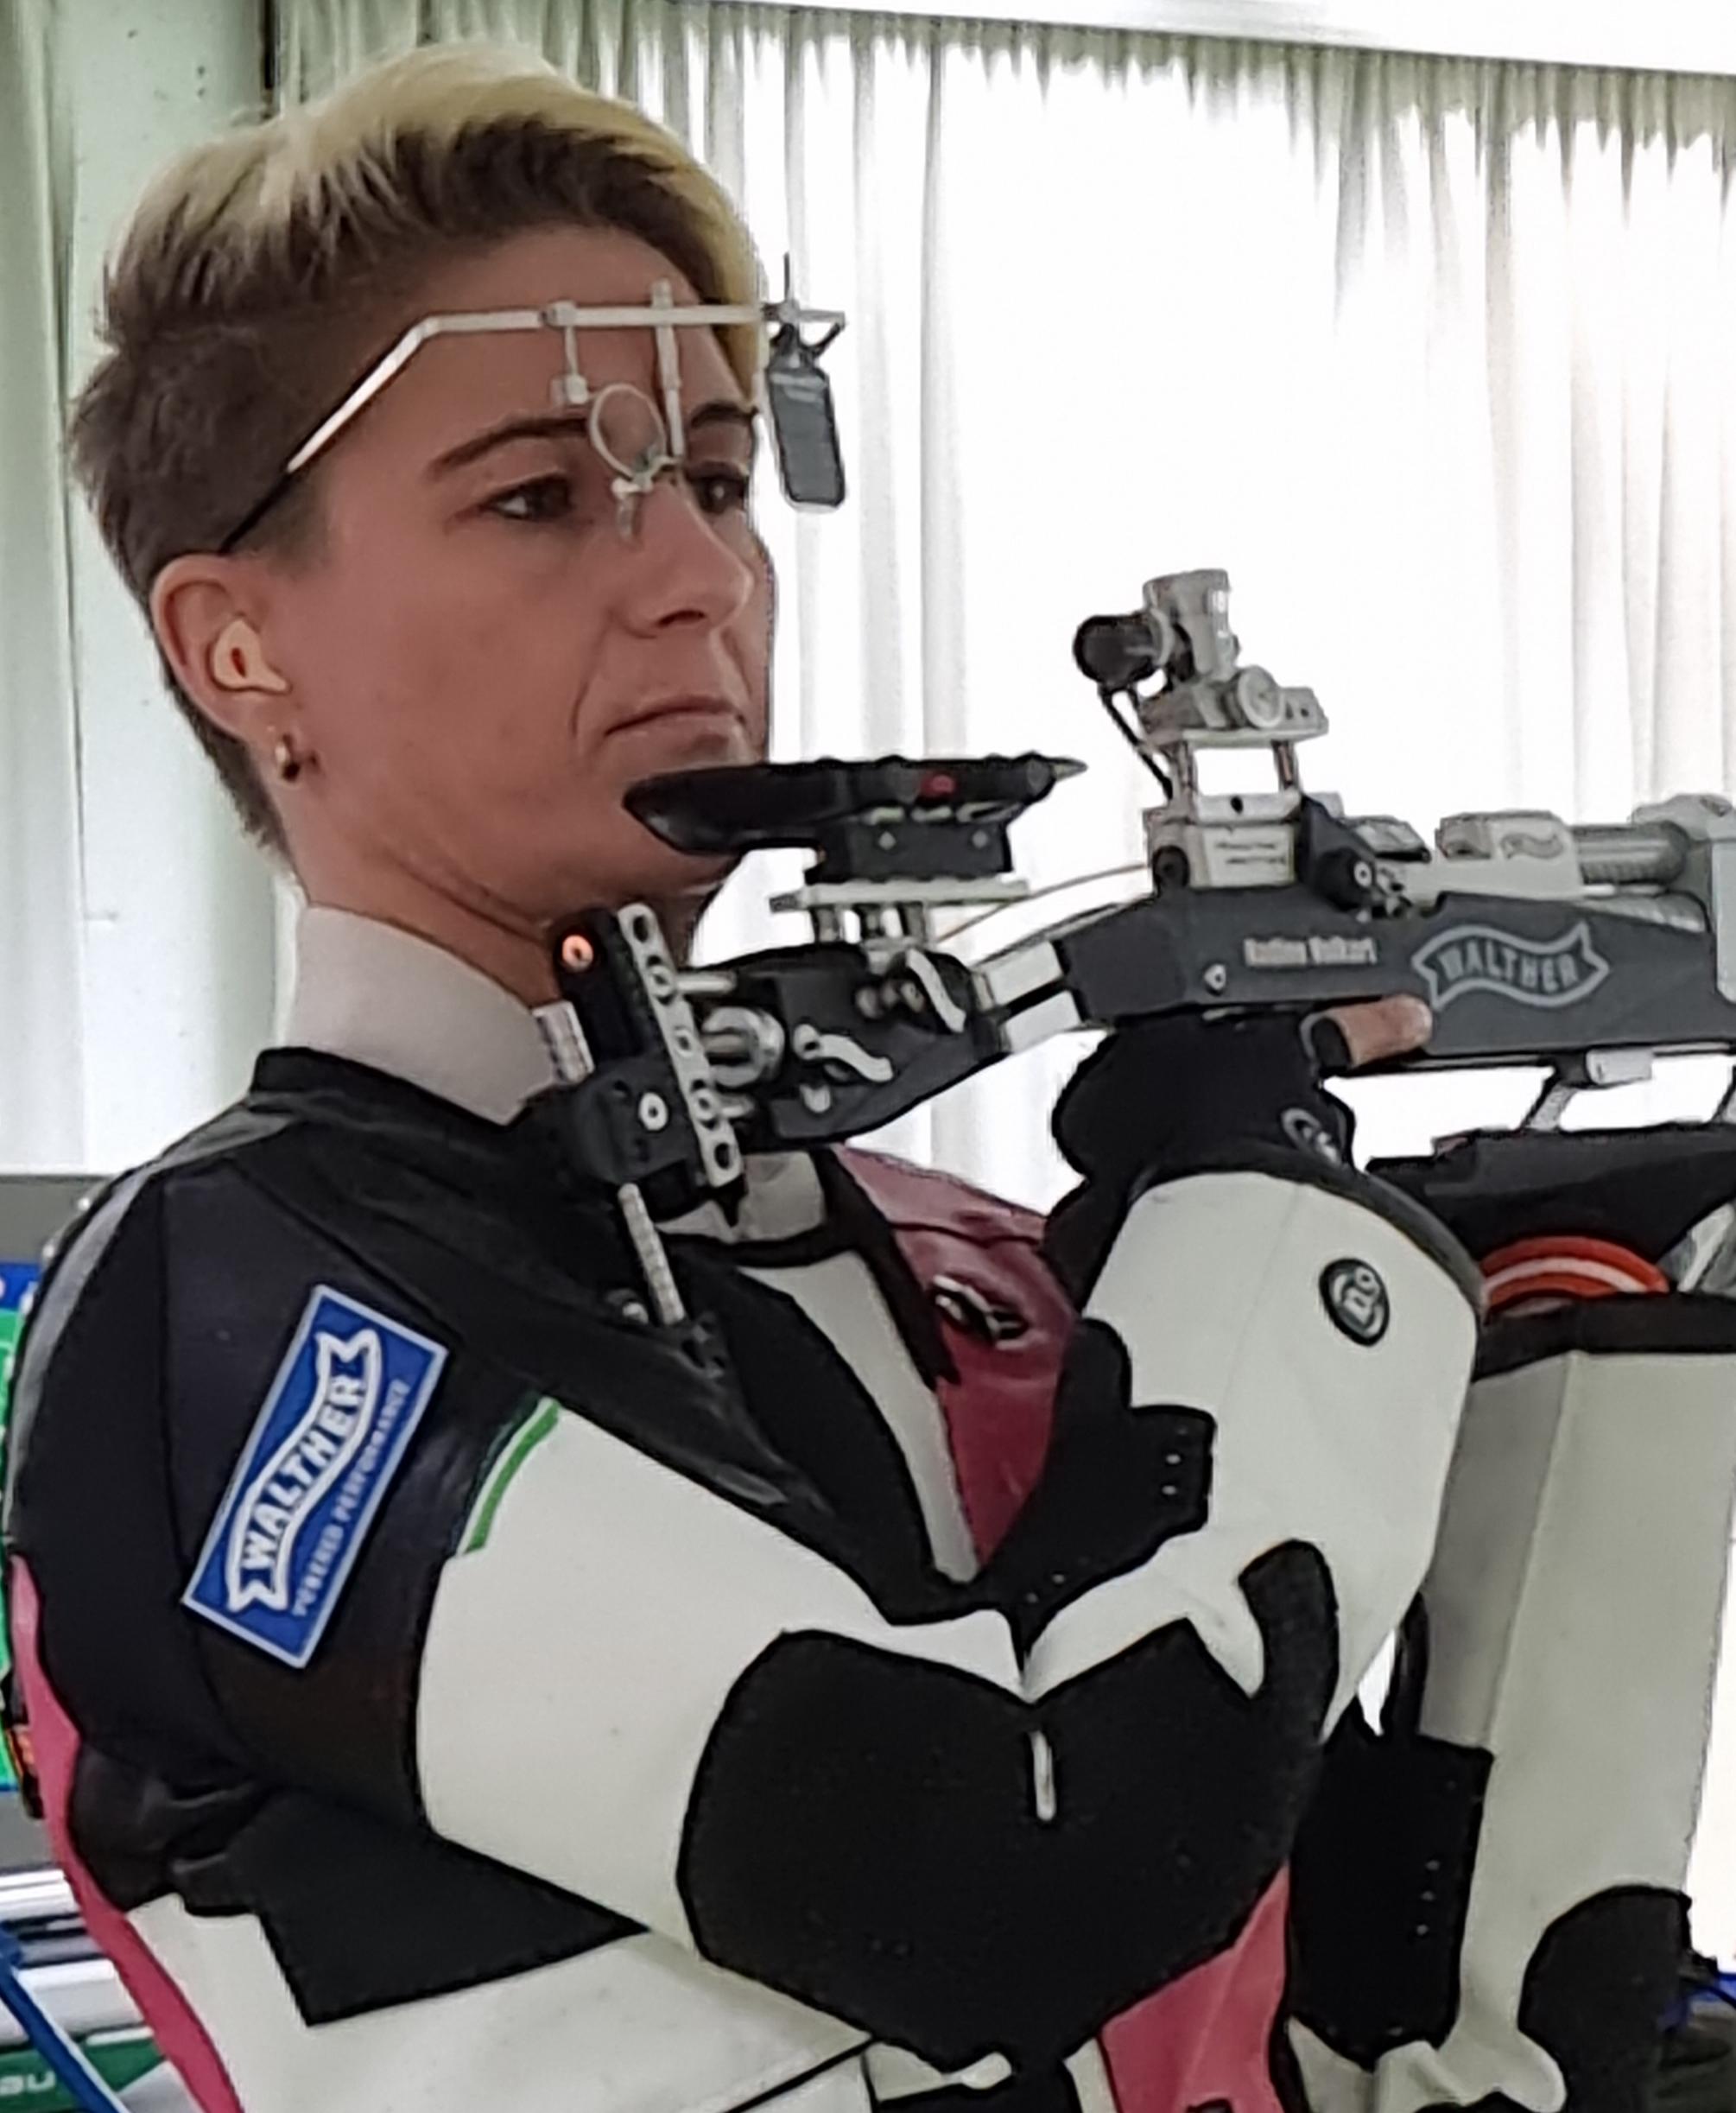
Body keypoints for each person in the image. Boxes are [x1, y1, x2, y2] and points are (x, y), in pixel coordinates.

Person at [2, 40, 1729, 2113]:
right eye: (540, 497)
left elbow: (1385, 2023)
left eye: (721, 480)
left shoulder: (966, 1259)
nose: (695, 578)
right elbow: (1016, 1863)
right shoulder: (223, 1309)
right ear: (238, 645)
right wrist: (1269, 1221)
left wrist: (1579, 1343)